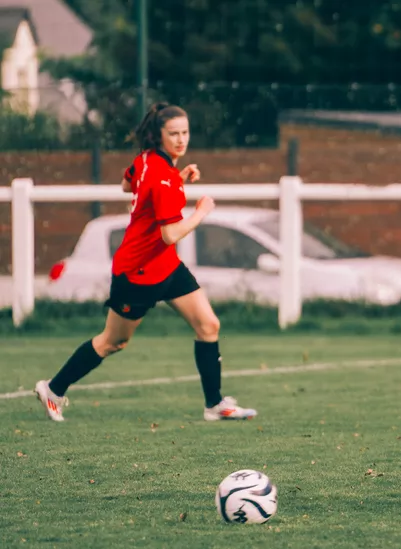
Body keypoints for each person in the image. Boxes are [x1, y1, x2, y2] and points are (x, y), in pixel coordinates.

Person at [34, 102, 257, 423]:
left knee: (209, 325)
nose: (181, 140)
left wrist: (176, 178)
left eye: (185, 133)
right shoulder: (161, 174)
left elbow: (128, 185)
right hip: (137, 272)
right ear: (158, 135)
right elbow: (170, 233)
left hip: (165, 265)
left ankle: (215, 404)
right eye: (173, 134)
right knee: (113, 342)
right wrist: (201, 212)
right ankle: (53, 389)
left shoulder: (147, 161)